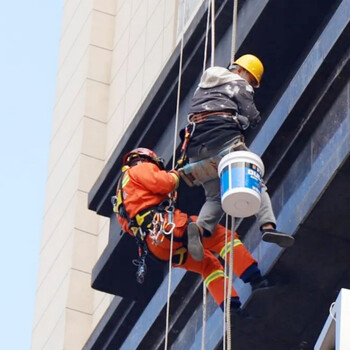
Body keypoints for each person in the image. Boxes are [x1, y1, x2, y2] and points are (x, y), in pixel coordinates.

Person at [113, 147, 272, 313]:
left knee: (208, 265)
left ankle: (231, 308)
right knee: (222, 237)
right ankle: (256, 279)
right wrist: (174, 174)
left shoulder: (120, 198)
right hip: (170, 226)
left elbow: (129, 227)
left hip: (156, 246)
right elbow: (165, 183)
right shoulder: (140, 168)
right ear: (148, 159)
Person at [181, 54, 295, 261]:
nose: (250, 83)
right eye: (251, 78)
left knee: (215, 196)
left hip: (195, 150)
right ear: (242, 71)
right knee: (255, 182)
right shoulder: (238, 83)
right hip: (223, 140)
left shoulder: (202, 87)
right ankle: (267, 225)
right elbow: (252, 116)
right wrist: (244, 119)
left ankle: (199, 228)